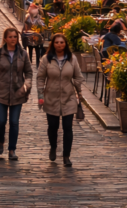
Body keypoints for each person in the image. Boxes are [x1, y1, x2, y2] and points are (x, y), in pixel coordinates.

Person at [36, 33, 84, 167]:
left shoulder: (72, 59)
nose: (59, 44)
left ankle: (66, 156)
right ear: (53, 44)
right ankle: (53, 147)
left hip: (69, 97)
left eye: (62, 42)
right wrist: (41, 95)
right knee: (53, 126)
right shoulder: (46, 59)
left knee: (68, 127)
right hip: (51, 97)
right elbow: (40, 78)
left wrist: (75, 84)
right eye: (57, 42)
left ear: (65, 44)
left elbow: (79, 77)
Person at [0, 27, 34, 161]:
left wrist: (27, 86)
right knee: (1, 121)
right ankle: (0, 140)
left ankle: (12, 149)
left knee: (14, 122)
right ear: (5, 39)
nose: (13, 39)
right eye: (11, 37)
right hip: (0, 92)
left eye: (15, 37)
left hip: (17, 93)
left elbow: (29, 73)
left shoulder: (23, 54)